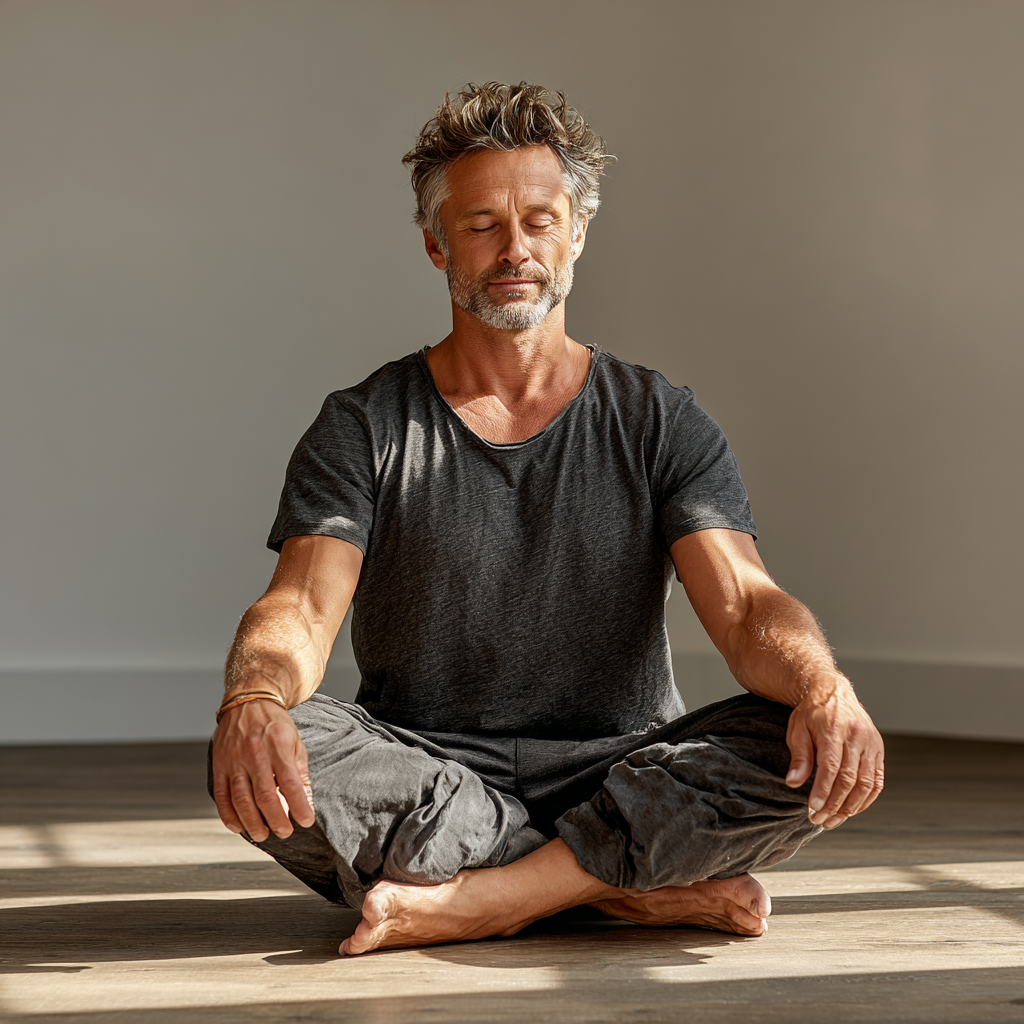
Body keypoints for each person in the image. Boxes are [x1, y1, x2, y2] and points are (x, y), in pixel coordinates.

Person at [209, 82, 884, 957]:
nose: (514, 247)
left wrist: (825, 687)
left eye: (539, 218)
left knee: (793, 737)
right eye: (482, 223)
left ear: (578, 232)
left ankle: (488, 896)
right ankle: (619, 887)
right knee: (275, 744)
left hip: (622, 769)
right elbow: (299, 604)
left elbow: (749, 604)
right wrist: (253, 697)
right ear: (435, 243)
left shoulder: (659, 419)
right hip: (430, 770)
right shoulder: (365, 422)